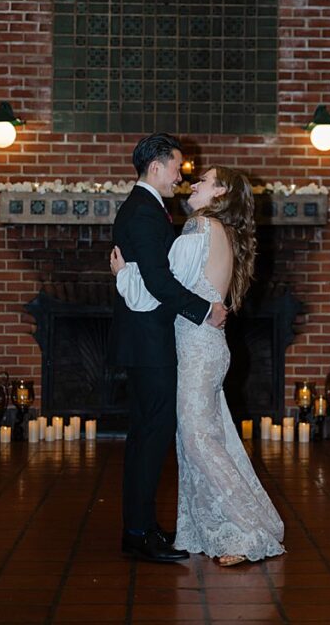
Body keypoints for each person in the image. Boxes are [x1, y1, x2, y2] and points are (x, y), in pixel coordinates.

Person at [111, 165, 285, 566]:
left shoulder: (199, 229)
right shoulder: (219, 231)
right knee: (208, 438)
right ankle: (210, 527)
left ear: (220, 192)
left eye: (203, 181)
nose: (193, 183)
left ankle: (248, 531)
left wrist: (123, 275)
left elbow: (163, 289)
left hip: (195, 350)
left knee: (199, 442)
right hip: (208, 347)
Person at [106, 132, 228, 564]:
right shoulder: (143, 213)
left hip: (150, 339)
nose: (182, 173)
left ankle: (141, 527)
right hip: (148, 342)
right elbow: (158, 283)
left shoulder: (150, 209)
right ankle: (138, 533)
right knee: (150, 435)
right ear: (156, 166)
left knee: (148, 435)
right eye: (177, 165)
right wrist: (204, 310)